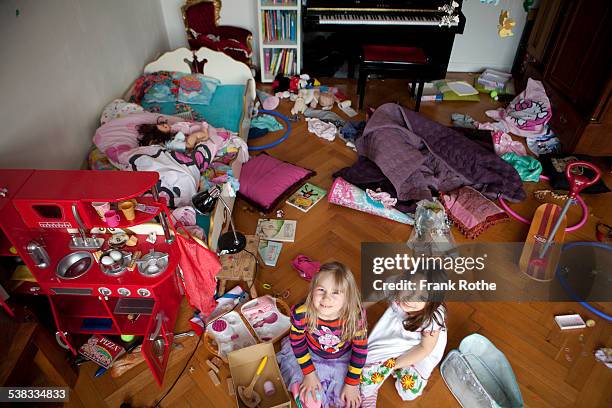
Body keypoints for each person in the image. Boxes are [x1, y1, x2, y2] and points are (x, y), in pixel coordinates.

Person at [276, 262, 367, 408]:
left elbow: (360, 350)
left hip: (342, 357)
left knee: (348, 402)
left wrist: (352, 384)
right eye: (321, 290)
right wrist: (309, 374)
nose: (326, 298)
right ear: (312, 290)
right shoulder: (302, 313)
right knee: (311, 401)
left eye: (336, 292)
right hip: (311, 354)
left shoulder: (355, 316)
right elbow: (297, 343)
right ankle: (297, 383)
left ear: (348, 297)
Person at [360, 271, 447, 407]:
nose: (411, 299)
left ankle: (401, 366)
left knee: (409, 391)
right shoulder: (395, 284)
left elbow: (425, 348)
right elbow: (376, 294)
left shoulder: (433, 317)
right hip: (395, 331)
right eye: (410, 287)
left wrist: (395, 364)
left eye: (422, 298)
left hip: (420, 345)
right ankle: (369, 393)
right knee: (364, 371)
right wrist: (356, 310)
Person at [137, 117, 209, 152]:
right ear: (160, 136)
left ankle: (203, 137)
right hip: (188, 146)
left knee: (193, 137)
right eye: (164, 127)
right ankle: (204, 133)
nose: (165, 124)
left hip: (184, 144)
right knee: (194, 136)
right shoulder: (168, 143)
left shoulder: (168, 140)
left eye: (163, 124)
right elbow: (187, 145)